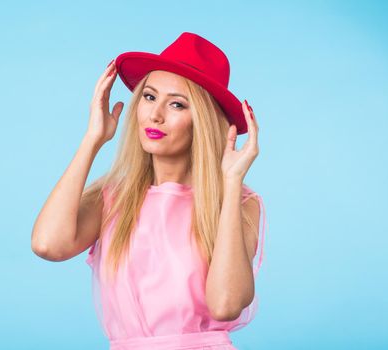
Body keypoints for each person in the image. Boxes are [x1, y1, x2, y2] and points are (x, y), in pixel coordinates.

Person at [31, 32, 267, 350]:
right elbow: (48, 245)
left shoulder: (238, 203)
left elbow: (225, 304)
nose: (155, 115)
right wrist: (92, 140)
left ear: (203, 120)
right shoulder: (113, 198)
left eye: (177, 104)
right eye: (150, 97)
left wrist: (231, 179)